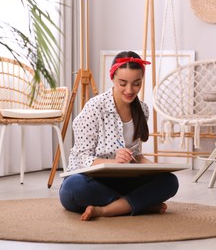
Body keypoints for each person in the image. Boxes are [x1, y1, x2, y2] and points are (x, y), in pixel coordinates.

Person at [59, 51, 179, 221]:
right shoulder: (95, 108)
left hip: (124, 180)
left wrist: (153, 168)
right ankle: (137, 204)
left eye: (136, 84)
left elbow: (135, 154)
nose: (130, 90)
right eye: (123, 83)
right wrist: (113, 161)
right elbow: (80, 158)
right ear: (113, 78)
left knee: (170, 181)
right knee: (72, 187)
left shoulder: (142, 109)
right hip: (92, 181)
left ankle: (106, 210)